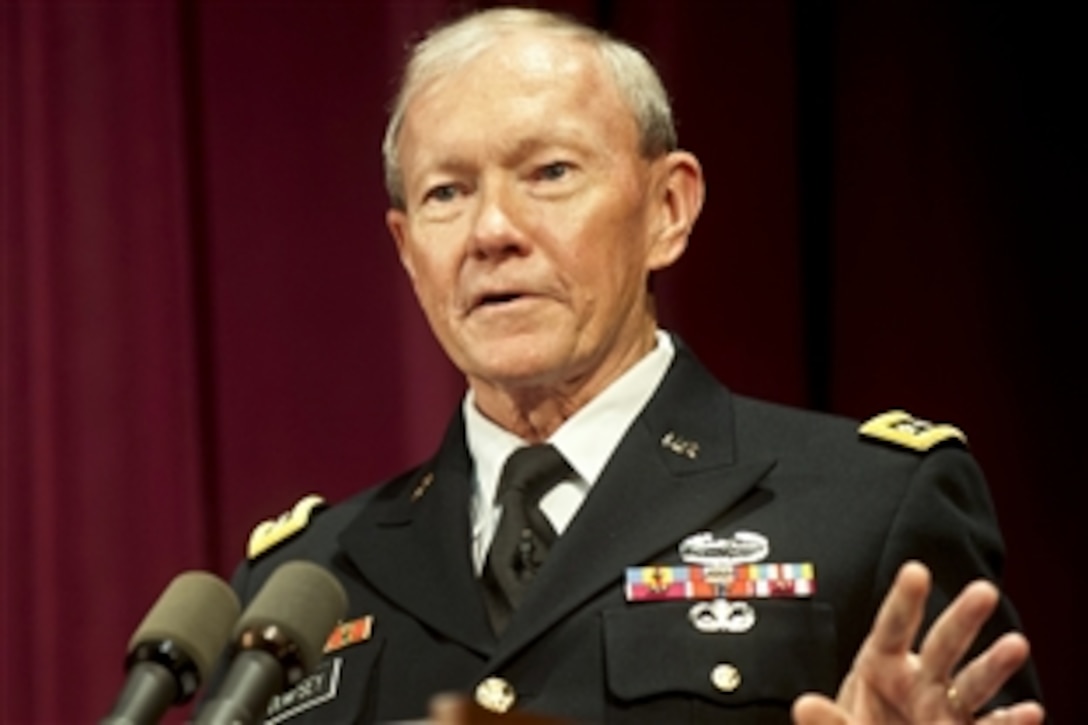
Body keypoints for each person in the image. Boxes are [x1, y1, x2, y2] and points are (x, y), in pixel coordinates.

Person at [211, 7, 1045, 724]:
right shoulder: (303, 579)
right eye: (446, 193)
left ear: (668, 209)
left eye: (550, 173)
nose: (491, 230)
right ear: (406, 249)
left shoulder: (870, 507)